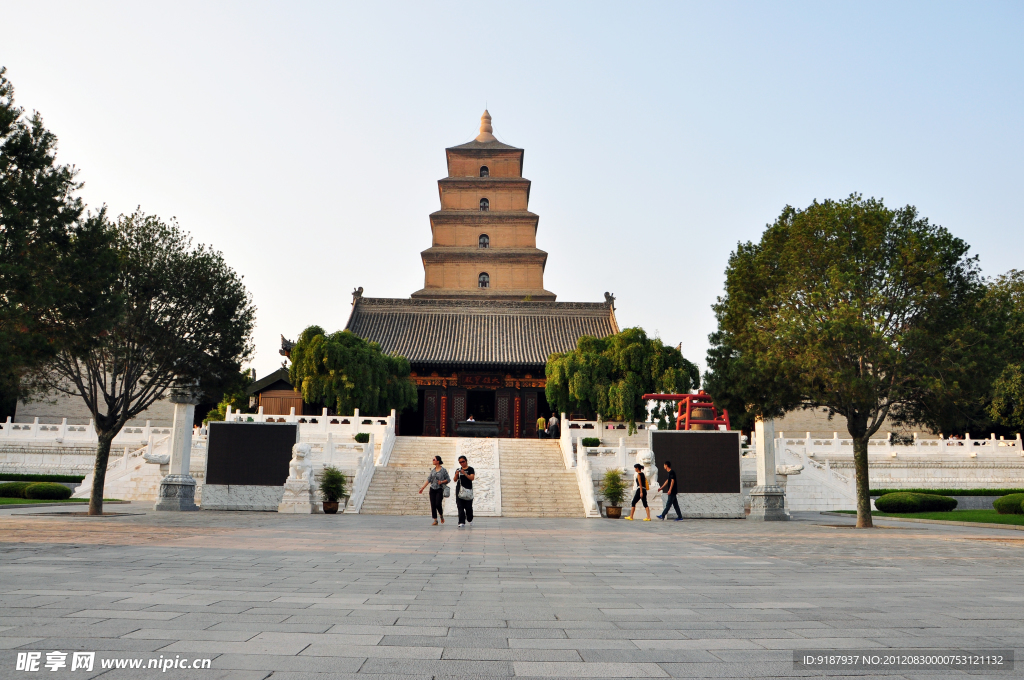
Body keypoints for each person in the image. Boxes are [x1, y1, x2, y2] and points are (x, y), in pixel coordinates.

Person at [418, 455, 449, 525]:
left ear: (438, 461)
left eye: (434, 459)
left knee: (438, 504)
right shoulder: (432, 470)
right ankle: (435, 520)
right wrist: (422, 488)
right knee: (433, 504)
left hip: (439, 489)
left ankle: (441, 515)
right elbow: (429, 479)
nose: (433, 460)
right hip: (432, 489)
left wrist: (441, 482)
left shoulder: (443, 470)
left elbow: (448, 479)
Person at [453, 454, 475, 528]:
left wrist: (464, 473)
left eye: (463, 461)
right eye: (460, 462)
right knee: (460, 506)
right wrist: (456, 474)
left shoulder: (470, 469)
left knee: (468, 507)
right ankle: (461, 521)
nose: (462, 463)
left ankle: (469, 518)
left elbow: (472, 478)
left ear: (466, 461)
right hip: (460, 490)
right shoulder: (458, 470)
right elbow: (455, 480)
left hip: (468, 489)